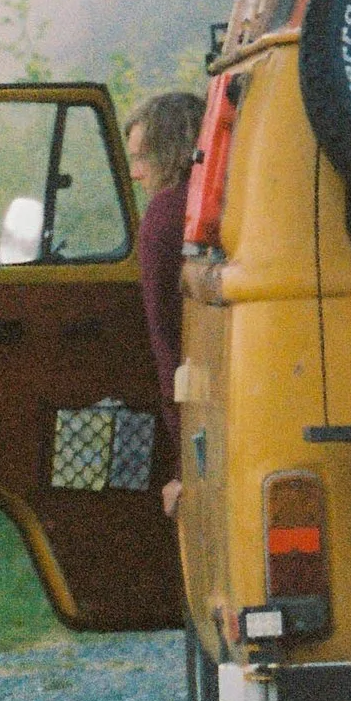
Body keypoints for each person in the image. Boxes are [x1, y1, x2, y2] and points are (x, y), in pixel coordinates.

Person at [125, 88, 205, 519]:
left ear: (172, 151)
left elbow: (167, 346)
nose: (136, 173)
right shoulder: (231, 199)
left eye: (143, 157)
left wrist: (183, 466)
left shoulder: (164, 216)